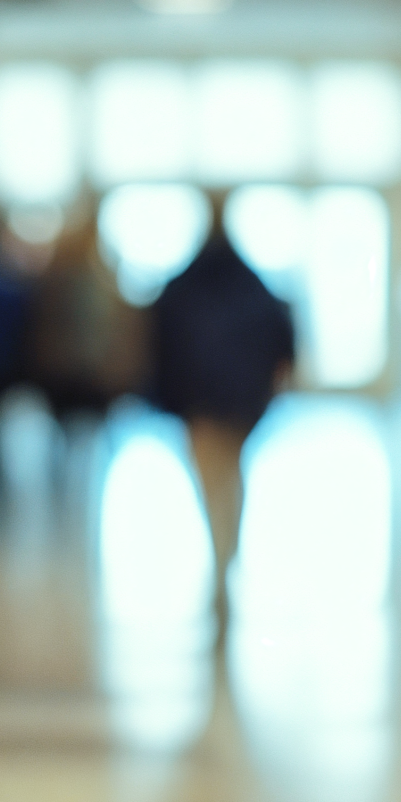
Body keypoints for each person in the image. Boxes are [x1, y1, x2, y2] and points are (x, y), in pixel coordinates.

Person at [150, 196, 295, 669]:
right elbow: (282, 333)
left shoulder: (184, 284)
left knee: (212, 483)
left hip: (202, 406)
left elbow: (161, 341)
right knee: (230, 478)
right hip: (241, 404)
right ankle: (226, 556)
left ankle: (222, 558)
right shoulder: (253, 282)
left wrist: (169, 394)